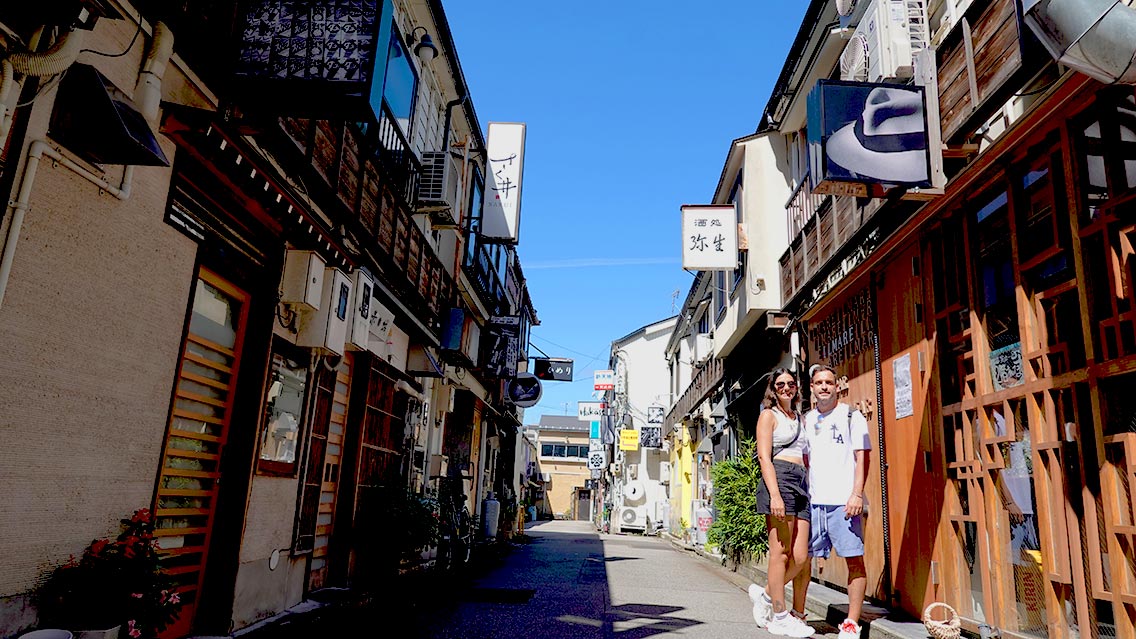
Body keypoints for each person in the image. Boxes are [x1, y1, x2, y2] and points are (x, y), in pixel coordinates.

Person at [795, 364, 871, 639]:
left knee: (854, 560)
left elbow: (863, 457)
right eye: (819, 383)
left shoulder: (852, 416)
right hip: (813, 502)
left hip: (844, 503)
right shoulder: (806, 420)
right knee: (802, 560)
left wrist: (856, 493)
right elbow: (804, 459)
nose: (824, 387)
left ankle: (851, 622)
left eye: (829, 382)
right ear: (812, 388)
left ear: (837, 386)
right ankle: (798, 615)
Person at [748, 368, 815, 638]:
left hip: (801, 482)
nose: (786, 388)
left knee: (801, 557)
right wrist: (775, 495)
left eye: (790, 383)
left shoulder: (799, 417)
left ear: (796, 387)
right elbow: (764, 457)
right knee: (780, 552)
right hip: (780, 478)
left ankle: (765, 596)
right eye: (780, 384)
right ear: (773, 390)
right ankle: (779, 615)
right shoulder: (768, 416)